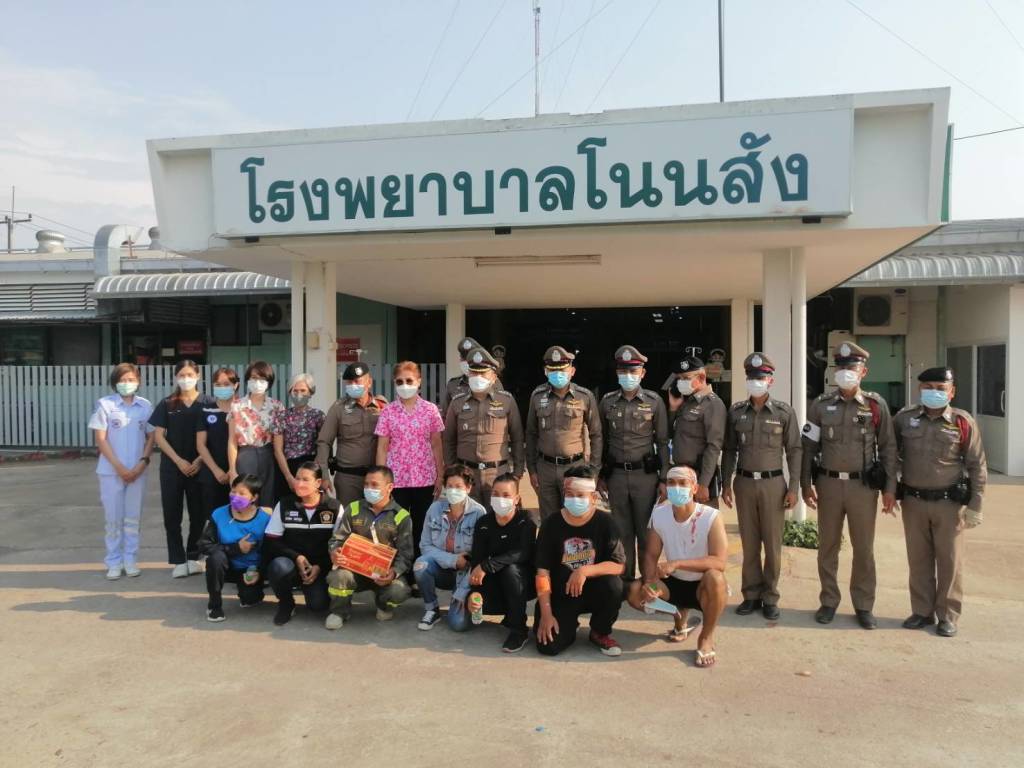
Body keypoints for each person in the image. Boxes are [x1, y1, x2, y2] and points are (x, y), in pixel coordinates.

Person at [801, 341, 898, 630]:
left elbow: (888, 448)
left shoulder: (875, 406)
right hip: (828, 485)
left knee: (863, 549)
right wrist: (805, 484)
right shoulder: (820, 405)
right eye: (841, 367)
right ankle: (829, 600)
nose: (846, 372)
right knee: (827, 547)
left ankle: (864, 605)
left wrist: (890, 488)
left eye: (852, 368)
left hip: (862, 488)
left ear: (863, 372)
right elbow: (808, 447)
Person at [893, 367, 987, 638]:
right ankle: (922, 611)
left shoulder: (962, 421)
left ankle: (947, 616)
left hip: (949, 504)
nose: (933, 392)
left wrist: (976, 505)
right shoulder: (904, 419)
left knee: (950, 561)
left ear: (951, 391)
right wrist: (890, 490)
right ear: (919, 389)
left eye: (940, 388)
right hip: (913, 501)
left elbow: (977, 465)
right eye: (927, 387)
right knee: (918, 560)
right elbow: (890, 455)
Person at [720, 353, 802, 620]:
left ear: (770, 380)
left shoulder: (783, 412)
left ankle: (770, 597)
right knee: (749, 543)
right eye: (752, 377)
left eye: (761, 377)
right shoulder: (736, 412)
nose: (756, 381)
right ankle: (751, 595)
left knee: (773, 544)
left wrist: (794, 488)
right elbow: (729, 450)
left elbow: (795, 451)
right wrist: (726, 483)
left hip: (773, 484)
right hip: (744, 483)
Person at [627, 466, 728, 667]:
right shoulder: (659, 514)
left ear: (695, 488)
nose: (676, 488)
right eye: (671, 483)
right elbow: (651, 555)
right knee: (635, 592)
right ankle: (679, 617)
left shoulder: (711, 516)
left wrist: (678, 563)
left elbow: (719, 562)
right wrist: (649, 582)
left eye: (683, 483)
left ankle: (706, 637)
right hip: (672, 583)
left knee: (716, 578)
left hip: (702, 585)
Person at [534, 465, 626, 657]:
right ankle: (568, 624)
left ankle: (599, 631)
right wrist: (546, 613)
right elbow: (542, 573)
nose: (574, 499)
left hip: (594, 590)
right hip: (561, 593)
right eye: (569, 494)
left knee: (614, 585)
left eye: (580, 495)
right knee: (548, 646)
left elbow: (618, 565)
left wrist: (584, 571)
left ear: (593, 497)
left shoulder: (606, 522)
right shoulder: (551, 524)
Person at [598, 344, 669, 582]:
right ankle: (625, 582)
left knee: (646, 533)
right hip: (616, 476)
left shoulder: (654, 401)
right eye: (623, 371)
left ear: (642, 373)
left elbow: (662, 442)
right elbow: (602, 440)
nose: (628, 376)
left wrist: (664, 478)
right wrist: (600, 475)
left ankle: (648, 583)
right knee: (621, 533)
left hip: (645, 477)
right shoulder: (607, 402)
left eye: (633, 371)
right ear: (617, 373)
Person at [324, 466, 414, 628]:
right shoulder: (353, 508)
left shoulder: (401, 516)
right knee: (339, 576)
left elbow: (406, 554)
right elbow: (337, 539)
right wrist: (335, 552)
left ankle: (383, 606)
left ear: (389, 487)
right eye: (366, 484)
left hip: (383, 575)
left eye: (374, 485)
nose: (368, 488)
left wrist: (393, 573)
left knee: (399, 591)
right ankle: (339, 612)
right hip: (354, 571)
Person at [374, 361, 445, 564]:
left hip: (425, 478)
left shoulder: (430, 410)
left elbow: (437, 444)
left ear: (419, 382)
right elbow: (382, 447)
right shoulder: (388, 411)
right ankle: (398, 569)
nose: (405, 385)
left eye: (409, 380)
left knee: (422, 526)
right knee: (396, 526)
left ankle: (420, 568)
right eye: (400, 381)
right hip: (397, 480)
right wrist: (381, 480)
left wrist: (440, 475)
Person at [89, 363, 155, 580]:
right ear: (115, 382)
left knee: (133, 519)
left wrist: (142, 463)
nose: (127, 384)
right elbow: (101, 439)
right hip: (111, 471)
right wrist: (118, 467)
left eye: (131, 380)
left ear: (138, 381)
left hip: (138, 471)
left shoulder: (145, 406)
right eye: (122, 380)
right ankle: (113, 561)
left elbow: (151, 436)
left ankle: (130, 559)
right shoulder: (105, 405)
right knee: (113, 519)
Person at [150, 359, 213, 578]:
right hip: (172, 467)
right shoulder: (167, 403)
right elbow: (159, 436)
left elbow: (215, 435)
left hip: (200, 467)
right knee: (172, 514)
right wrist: (178, 461)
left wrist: (199, 461)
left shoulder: (208, 403)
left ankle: (194, 556)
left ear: (198, 376)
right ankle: (177, 559)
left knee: (198, 514)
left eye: (190, 375)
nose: (186, 379)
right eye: (182, 375)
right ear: (176, 377)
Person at [525, 345, 603, 519]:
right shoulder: (537, 396)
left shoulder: (584, 396)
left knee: (575, 517)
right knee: (549, 520)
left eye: (562, 370)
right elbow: (531, 433)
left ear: (572, 371)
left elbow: (596, 435)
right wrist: (532, 469)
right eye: (553, 370)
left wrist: (594, 470)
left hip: (575, 467)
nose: (557, 374)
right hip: (545, 469)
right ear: (546, 371)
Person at [443, 346, 525, 502]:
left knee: (497, 514)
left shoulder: (506, 401)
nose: (477, 377)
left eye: (483, 373)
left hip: (497, 474)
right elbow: (448, 439)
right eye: (474, 372)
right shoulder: (457, 402)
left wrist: (517, 471)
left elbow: (517, 438)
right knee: (467, 515)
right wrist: (451, 468)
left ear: (494, 377)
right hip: (465, 474)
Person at [264, 462, 340, 626]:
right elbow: (272, 540)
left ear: (318, 483)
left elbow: (338, 546)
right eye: (297, 478)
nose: (299, 483)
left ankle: (311, 589)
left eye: (305, 479)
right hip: (291, 563)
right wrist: (296, 557)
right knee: (278, 567)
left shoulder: (334, 507)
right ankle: (286, 603)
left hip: (319, 567)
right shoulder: (284, 504)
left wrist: (320, 566)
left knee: (318, 606)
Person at [468, 473, 537, 653]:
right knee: (462, 617)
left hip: (522, 582)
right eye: (495, 494)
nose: (500, 499)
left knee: (511, 570)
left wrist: (487, 565)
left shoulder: (526, 521)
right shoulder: (483, 523)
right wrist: (474, 592)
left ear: (517, 499)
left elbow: (522, 553)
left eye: (506, 495)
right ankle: (507, 612)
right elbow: (476, 560)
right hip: (493, 579)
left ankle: (519, 630)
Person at [413, 466, 486, 631]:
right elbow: (425, 545)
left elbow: (479, 556)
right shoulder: (434, 509)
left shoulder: (478, 513)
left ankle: (469, 599)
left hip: (465, 576)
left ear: (468, 488)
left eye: (458, 486)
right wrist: (453, 560)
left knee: (458, 624)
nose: (453, 491)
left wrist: (461, 594)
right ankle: (431, 609)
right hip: (441, 569)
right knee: (421, 564)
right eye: (450, 486)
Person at [197, 474, 272, 622]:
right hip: (226, 566)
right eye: (233, 491)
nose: (236, 496)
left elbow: (270, 550)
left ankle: (249, 591)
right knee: (215, 559)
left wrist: (259, 572)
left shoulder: (264, 519)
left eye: (242, 493)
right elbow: (204, 545)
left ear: (254, 497)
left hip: (251, 570)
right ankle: (214, 605)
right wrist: (236, 548)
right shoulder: (219, 514)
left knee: (250, 599)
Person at [316, 362, 387, 504]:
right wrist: (324, 474)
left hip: (376, 478)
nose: (353, 385)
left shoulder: (383, 407)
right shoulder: (338, 408)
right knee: (350, 516)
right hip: (348, 479)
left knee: (377, 516)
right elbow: (324, 442)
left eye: (357, 381)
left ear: (369, 382)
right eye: (349, 382)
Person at [667, 356, 727, 508]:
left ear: (701, 377)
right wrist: (673, 409)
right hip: (681, 477)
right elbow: (670, 434)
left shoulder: (713, 404)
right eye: (679, 378)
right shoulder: (686, 402)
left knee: (703, 521)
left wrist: (704, 484)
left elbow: (713, 447)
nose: (681, 382)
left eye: (686, 378)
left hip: (699, 477)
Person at [228, 360, 284, 505]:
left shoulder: (276, 406)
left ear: (269, 382)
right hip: (245, 455)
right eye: (254, 378)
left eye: (262, 378)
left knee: (268, 497)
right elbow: (232, 441)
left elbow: (278, 444)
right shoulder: (237, 405)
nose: (257, 382)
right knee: (244, 497)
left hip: (268, 455)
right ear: (247, 379)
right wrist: (232, 470)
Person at [196, 367, 238, 521]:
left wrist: (232, 471)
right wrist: (216, 471)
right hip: (211, 474)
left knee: (237, 517)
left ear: (236, 385)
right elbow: (201, 445)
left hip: (238, 473)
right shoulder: (206, 410)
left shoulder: (242, 409)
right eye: (218, 384)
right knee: (213, 519)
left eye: (226, 384)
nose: (222, 388)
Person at [273, 372, 325, 495]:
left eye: (303, 390)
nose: (299, 394)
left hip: (311, 466)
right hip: (287, 467)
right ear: (290, 392)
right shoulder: (281, 416)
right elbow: (278, 450)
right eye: (295, 391)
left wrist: (317, 471)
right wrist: (289, 477)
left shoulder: (318, 416)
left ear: (310, 392)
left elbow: (323, 445)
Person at [439, 336, 505, 417]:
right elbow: (445, 415)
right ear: (460, 359)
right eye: (464, 357)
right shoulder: (453, 384)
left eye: (470, 357)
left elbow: (503, 410)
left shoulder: (493, 382)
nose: (467, 362)